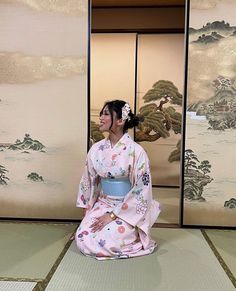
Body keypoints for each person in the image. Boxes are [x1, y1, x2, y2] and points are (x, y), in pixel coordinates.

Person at [75, 100, 160, 260]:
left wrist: (114, 215)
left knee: (107, 240)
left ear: (120, 121)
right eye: (101, 113)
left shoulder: (136, 151)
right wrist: (85, 218)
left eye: (106, 114)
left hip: (127, 209)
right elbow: (89, 182)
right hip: (104, 203)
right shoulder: (96, 149)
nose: (101, 117)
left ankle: (132, 236)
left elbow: (141, 189)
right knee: (82, 237)